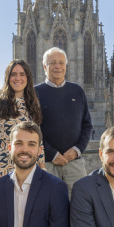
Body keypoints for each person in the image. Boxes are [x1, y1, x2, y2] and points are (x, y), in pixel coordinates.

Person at [35, 47, 93, 194]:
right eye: (53, 62)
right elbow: (33, 130)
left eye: (61, 62)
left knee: (79, 204)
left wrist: (76, 150)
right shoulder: (35, 93)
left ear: (66, 66)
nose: (57, 66)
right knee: (48, 205)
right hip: (46, 163)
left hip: (74, 162)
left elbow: (87, 126)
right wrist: (52, 154)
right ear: (44, 66)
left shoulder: (77, 91)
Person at [0, 59, 44, 183]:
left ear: (27, 77)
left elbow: (38, 139)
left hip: (30, 169)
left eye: (22, 74)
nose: (18, 78)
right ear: (8, 77)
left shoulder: (34, 104)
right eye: (13, 74)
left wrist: (42, 168)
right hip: (3, 168)